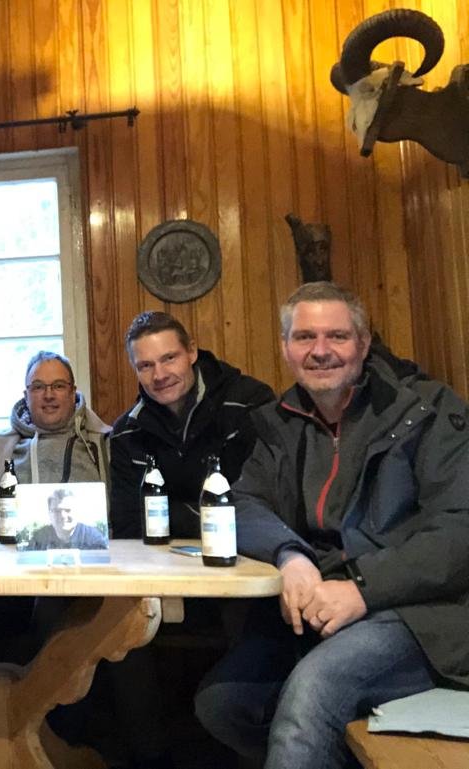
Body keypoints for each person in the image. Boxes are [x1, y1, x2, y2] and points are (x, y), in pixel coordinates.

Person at [195, 281, 469, 769]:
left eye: (337, 336)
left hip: (419, 614)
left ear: (363, 343)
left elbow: (459, 530)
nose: (320, 351)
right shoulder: (277, 422)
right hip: (320, 609)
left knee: (311, 694)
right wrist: (290, 556)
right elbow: (241, 502)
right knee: (223, 703)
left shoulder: (427, 409)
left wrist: (362, 588)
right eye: (305, 337)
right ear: (285, 347)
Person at [109, 310, 274, 540]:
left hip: (246, 552)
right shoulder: (126, 433)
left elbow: (257, 509)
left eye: (169, 358)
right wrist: (206, 513)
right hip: (159, 559)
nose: (159, 375)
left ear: (192, 352)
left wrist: (169, 515)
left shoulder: (248, 404)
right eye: (145, 366)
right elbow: (127, 526)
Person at [0, 350, 110, 541]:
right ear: (26, 396)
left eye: (58, 386)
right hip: (10, 558)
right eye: (38, 387)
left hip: (92, 557)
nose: (49, 395)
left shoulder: (103, 444)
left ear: (72, 392)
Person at [28, 487, 107, 550]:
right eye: (57, 511)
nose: (62, 516)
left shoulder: (93, 538)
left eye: (68, 510)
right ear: (49, 514)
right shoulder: (38, 537)